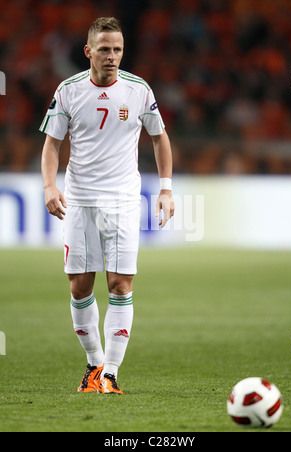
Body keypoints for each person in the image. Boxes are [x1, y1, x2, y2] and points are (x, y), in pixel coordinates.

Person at [40, 17, 174, 395]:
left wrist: (165, 188)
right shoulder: (68, 92)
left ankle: (110, 372)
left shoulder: (138, 90)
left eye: (117, 49)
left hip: (123, 199)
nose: (112, 56)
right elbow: (51, 144)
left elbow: (159, 138)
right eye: (104, 49)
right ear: (88, 52)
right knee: (80, 288)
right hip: (80, 200)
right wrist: (49, 185)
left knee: (120, 283)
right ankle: (94, 364)